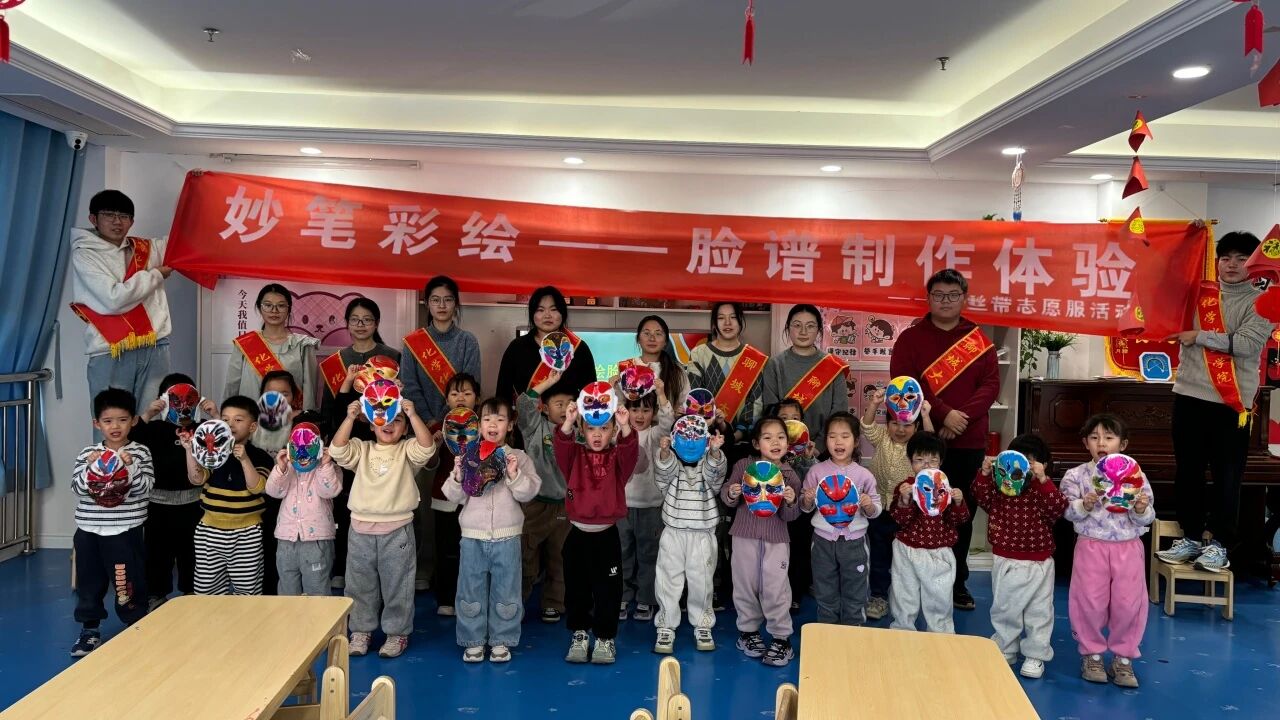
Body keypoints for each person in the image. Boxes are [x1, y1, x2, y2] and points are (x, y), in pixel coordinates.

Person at [890, 268, 1000, 611]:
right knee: (916, 509)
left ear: (964, 298)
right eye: (939, 295)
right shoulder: (910, 339)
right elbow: (903, 383)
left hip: (968, 441)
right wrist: (943, 414)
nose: (946, 301)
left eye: (953, 295)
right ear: (929, 298)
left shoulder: (978, 339)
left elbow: (990, 386)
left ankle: (956, 584)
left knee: (958, 511)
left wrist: (959, 418)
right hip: (924, 441)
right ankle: (916, 581)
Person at [1163, 231, 1273, 571]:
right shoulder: (1198, 294)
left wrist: (1198, 336)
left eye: (1241, 258)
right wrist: (1187, 239)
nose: (1232, 265)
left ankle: (1221, 544)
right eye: (1226, 258)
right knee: (1188, 473)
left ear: (1254, 264)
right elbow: (1166, 281)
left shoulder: (1264, 302)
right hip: (1188, 395)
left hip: (1231, 404)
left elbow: (1246, 345)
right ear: (1217, 261)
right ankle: (1191, 537)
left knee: (1227, 477)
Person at [330, 393, 435, 659]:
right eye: (382, 418)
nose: (389, 424)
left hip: (397, 530)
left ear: (406, 428)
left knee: (398, 585)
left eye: (397, 420)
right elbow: (337, 450)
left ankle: (397, 633)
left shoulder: (407, 450)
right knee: (358, 585)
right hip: (360, 530)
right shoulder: (362, 449)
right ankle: (360, 631)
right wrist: (350, 417)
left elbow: (427, 447)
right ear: (370, 424)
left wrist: (412, 413)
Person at [442, 396, 541, 663]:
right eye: (487, 419)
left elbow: (529, 492)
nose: (493, 424)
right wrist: (458, 475)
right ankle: (472, 640)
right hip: (472, 537)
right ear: (478, 424)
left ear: (510, 425)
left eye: (500, 419)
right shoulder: (468, 456)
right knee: (470, 589)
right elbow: (453, 496)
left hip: (508, 537)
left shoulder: (518, 457)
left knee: (507, 589)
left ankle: (502, 640)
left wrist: (514, 474)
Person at [686, 302, 768, 611]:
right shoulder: (699, 355)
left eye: (733, 317)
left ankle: (740, 587)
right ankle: (712, 584)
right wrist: (711, 430)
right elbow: (693, 400)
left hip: (740, 447)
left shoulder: (754, 359)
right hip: (705, 447)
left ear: (741, 322)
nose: (727, 323)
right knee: (710, 519)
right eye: (721, 318)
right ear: (714, 323)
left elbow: (757, 404)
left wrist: (736, 434)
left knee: (739, 517)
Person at [1061, 414, 1154, 688]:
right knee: (1089, 601)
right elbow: (1067, 511)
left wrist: (1140, 509)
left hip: (1128, 547)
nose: (1101, 443)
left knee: (1128, 603)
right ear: (1085, 443)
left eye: (1109, 437)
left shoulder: (1136, 475)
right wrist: (1085, 505)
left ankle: (1124, 658)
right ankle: (1092, 654)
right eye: (1094, 437)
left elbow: (1147, 517)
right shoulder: (1076, 475)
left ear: (1122, 444)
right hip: (1091, 546)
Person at [320, 299, 402, 591]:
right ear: (347, 323)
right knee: (347, 504)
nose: (361, 325)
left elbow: (399, 401)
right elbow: (329, 405)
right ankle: (344, 565)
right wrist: (330, 436)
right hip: (348, 438)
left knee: (383, 500)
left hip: (382, 439)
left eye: (367, 319)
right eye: (355, 319)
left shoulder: (392, 356)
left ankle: (384, 568)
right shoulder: (337, 360)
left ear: (376, 323)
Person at [973, 434, 1068, 680]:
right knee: (1005, 607)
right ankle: (1005, 647)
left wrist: (1043, 480)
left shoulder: (1041, 489)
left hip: (1039, 561)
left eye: (1031, 462)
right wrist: (985, 473)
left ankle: (1036, 654)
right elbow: (980, 496)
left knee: (1039, 611)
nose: (1023, 467)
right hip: (1006, 558)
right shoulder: (1001, 489)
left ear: (1042, 465)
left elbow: (1058, 508)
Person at [70, 190, 173, 414]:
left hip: (155, 345)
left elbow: (182, 240)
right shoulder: (85, 254)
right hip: (110, 349)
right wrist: (156, 275)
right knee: (113, 420)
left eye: (124, 216)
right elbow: (114, 299)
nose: (117, 221)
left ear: (132, 222)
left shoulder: (145, 249)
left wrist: (196, 192)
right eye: (109, 215)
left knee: (153, 419)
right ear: (93, 218)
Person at [553, 397, 639, 665]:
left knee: (608, 591)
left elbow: (630, 453)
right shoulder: (574, 456)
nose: (597, 434)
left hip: (607, 537)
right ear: (582, 429)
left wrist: (626, 426)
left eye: (604, 428)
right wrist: (568, 421)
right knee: (576, 589)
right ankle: (579, 634)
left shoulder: (617, 459)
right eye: (591, 428)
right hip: (577, 536)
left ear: (613, 430)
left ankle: (604, 638)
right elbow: (561, 445)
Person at [70, 389, 154, 656]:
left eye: (122, 419)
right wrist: (90, 469)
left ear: (134, 421)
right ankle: (89, 630)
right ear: (97, 423)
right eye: (108, 421)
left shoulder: (140, 453)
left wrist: (130, 467)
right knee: (89, 582)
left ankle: (134, 623)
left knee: (127, 582)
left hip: (124, 531)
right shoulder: (88, 453)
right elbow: (77, 489)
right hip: (89, 530)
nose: (115, 426)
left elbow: (145, 489)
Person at [721, 416, 802, 667]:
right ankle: (748, 632)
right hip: (744, 536)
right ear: (757, 443)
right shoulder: (744, 466)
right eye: (768, 438)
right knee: (744, 584)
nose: (775, 442)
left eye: (780, 437)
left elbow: (790, 516)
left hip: (776, 540)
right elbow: (727, 495)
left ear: (787, 443)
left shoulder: (790, 475)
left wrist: (791, 501)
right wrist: (732, 492)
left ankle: (781, 638)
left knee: (776, 588)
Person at [134, 373, 215, 610]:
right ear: (163, 400)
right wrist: (148, 414)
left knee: (192, 552)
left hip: (193, 503)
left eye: (188, 399)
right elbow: (133, 438)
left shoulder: (202, 428)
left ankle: (192, 591)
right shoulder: (154, 428)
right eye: (175, 400)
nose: (182, 406)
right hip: (157, 505)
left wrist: (216, 415)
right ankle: (156, 595)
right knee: (157, 554)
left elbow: (223, 443)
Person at [183, 395, 273, 596]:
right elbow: (197, 479)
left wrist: (245, 459)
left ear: (252, 427)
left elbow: (257, 487)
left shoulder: (261, 456)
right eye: (225, 419)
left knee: (247, 590)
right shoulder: (212, 451)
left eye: (238, 420)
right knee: (207, 590)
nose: (230, 424)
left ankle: (245, 618)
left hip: (247, 533)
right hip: (209, 531)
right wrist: (190, 451)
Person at [651, 423, 727, 654]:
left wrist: (714, 452)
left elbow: (716, 477)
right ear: (675, 440)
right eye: (685, 438)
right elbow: (662, 474)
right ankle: (665, 625)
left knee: (702, 582)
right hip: (673, 533)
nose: (691, 443)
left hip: (702, 535)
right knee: (667, 580)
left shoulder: (707, 467)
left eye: (696, 438)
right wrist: (665, 452)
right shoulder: (673, 467)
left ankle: (703, 624)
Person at [799, 412, 881, 626]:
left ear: (856, 441)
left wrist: (869, 505)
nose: (838, 442)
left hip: (855, 543)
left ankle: (854, 629)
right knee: (824, 589)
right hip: (822, 541)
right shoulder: (816, 471)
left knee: (856, 590)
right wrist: (807, 499)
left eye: (845, 436)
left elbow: (876, 509)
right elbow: (805, 507)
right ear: (826, 440)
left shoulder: (864, 474)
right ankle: (827, 630)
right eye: (832, 436)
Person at [861, 388, 934, 621]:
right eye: (895, 423)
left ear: (916, 427)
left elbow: (932, 443)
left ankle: (906, 599)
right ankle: (879, 596)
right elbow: (867, 426)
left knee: (905, 559)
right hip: (880, 509)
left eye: (907, 425)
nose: (900, 430)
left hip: (907, 512)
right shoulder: (882, 437)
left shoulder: (917, 446)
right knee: (879, 556)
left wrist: (925, 415)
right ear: (888, 424)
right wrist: (874, 404)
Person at [889, 432, 969, 633]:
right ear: (910, 461)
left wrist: (958, 502)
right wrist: (904, 500)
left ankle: (940, 635)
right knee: (904, 595)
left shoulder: (947, 489)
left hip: (939, 552)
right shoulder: (905, 487)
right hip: (907, 549)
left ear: (941, 462)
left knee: (939, 598)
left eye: (932, 460)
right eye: (919, 460)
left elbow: (959, 520)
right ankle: (902, 631)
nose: (926, 465)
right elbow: (900, 520)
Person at [496, 287, 598, 441]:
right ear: (532, 314)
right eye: (540, 310)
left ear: (562, 313)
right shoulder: (517, 348)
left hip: (570, 432)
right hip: (528, 433)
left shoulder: (578, 349)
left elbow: (590, 394)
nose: (547, 315)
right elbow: (502, 394)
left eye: (554, 309)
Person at [516, 370, 576, 624]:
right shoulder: (535, 427)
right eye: (558, 403)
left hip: (564, 506)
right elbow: (523, 404)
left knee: (559, 558)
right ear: (544, 408)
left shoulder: (578, 431)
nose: (564, 408)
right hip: (534, 504)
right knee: (526, 554)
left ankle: (554, 602)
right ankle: (515, 602)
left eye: (569, 403)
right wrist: (549, 382)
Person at [618, 379, 676, 623]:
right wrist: (613, 389)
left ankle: (646, 598)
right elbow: (612, 409)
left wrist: (661, 393)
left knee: (649, 555)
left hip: (652, 507)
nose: (639, 415)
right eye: (634, 409)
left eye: (645, 410)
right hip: (621, 507)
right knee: (622, 553)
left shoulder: (654, 434)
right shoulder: (618, 432)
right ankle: (622, 595)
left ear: (653, 413)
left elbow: (667, 422)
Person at [264, 416, 342, 596]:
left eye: (309, 443)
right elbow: (273, 491)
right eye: (297, 443)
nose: (303, 450)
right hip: (286, 539)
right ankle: (289, 615)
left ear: (321, 443)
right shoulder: (287, 468)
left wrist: (325, 465)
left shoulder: (330, 468)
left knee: (317, 589)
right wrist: (281, 468)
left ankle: (318, 616)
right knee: (287, 588)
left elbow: (329, 491)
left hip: (316, 540)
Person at [428, 373, 481, 616]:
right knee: (446, 550)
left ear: (477, 398)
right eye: (455, 393)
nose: (461, 397)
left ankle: (472, 597)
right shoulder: (437, 428)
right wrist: (435, 445)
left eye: (467, 393)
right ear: (447, 399)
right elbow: (430, 464)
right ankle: (446, 598)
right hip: (445, 500)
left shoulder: (484, 426)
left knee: (474, 551)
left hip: (476, 501)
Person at [401, 276, 481, 426]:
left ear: (456, 303)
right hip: (419, 425)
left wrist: (441, 421)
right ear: (427, 303)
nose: (442, 305)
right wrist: (428, 421)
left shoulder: (468, 341)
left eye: (448, 300)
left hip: (458, 425)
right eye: (435, 300)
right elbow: (409, 387)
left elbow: (470, 389)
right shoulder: (413, 342)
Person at [224, 283, 318, 411]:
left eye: (281, 305)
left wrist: (306, 419)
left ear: (289, 309)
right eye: (268, 305)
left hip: (289, 419)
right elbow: (231, 387)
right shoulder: (245, 344)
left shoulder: (303, 344)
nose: (274, 310)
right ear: (259, 308)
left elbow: (310, 391)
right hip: (250, 419)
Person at [253, 370, 304, 596]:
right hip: (259, 494)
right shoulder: (253, 421)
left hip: (291, 496)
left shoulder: (302, 421)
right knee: (262, 547)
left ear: (294, 396)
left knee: (288, 551)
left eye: (285, 393)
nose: (279, 399)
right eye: (271, 393)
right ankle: (266, 595)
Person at [773, 397, 818, 610]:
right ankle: (773, 593)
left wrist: (807, 458)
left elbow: (812, 480)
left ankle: (795, 593)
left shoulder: (806, 452)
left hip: (800, 512)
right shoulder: (770, 450)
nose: (790, 423)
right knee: (776, 554)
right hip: (775, 513)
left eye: (795, 418)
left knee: (799, 551)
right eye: (784, 418)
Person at [619, 315, 690, 413]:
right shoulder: (626, 366)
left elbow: (685, 405)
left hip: (669, 422)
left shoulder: (676, 370)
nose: (652, 338)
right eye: (646, 333)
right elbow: (619, 406)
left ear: (666, 341)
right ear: (638, 339)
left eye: (658, 334)